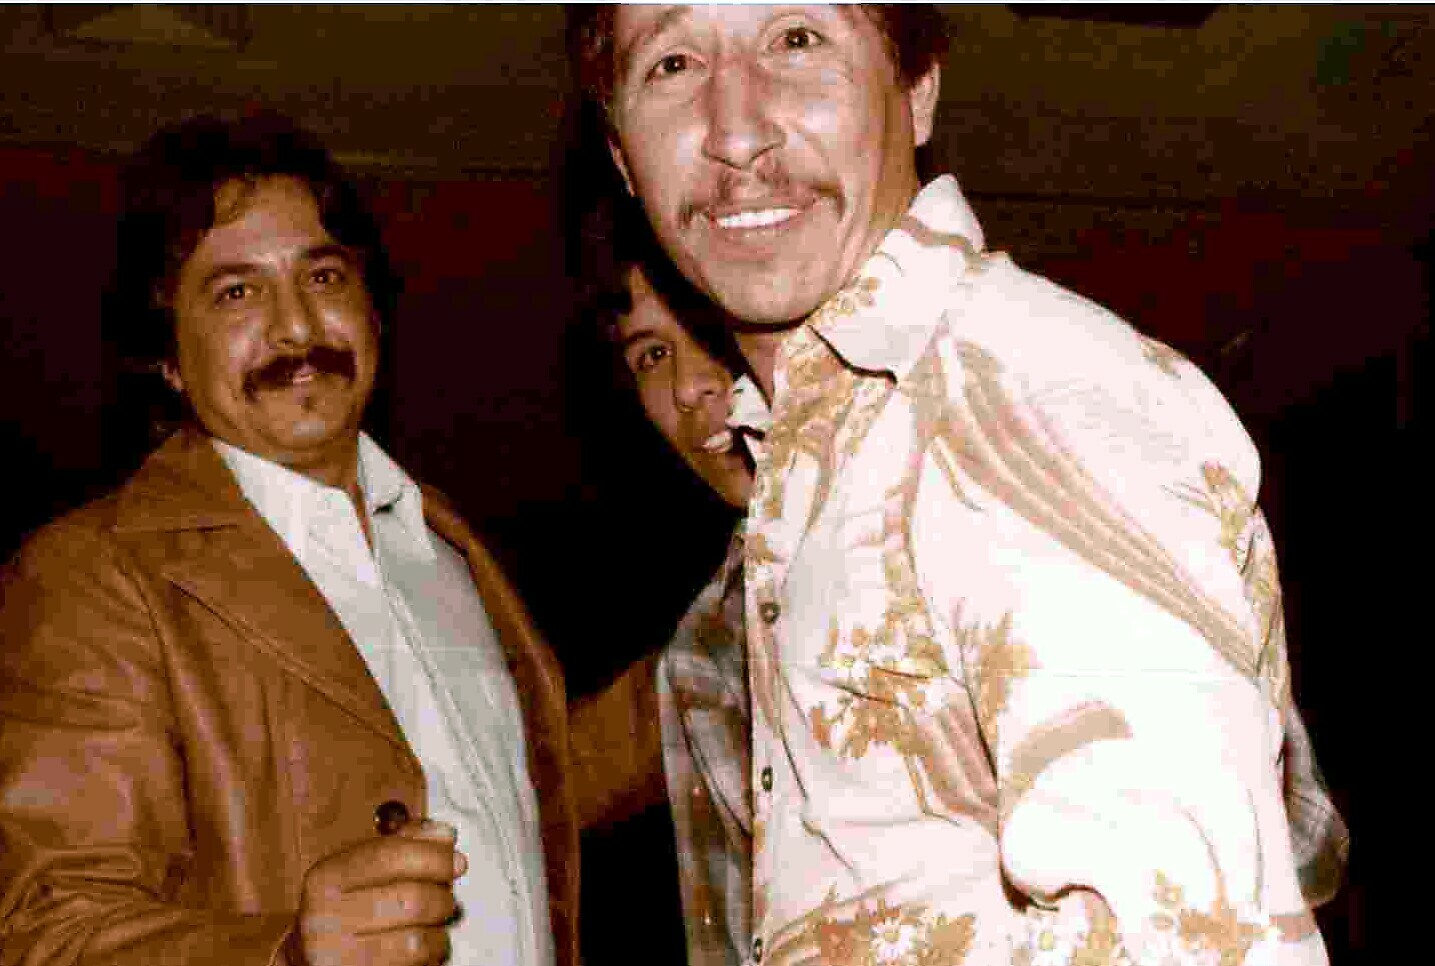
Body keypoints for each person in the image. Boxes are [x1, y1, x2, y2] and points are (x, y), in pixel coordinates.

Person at [572, 6, 1350, 964]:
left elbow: (1197, 939)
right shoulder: (815, 476)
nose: (735, 132)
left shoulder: (1021, 390)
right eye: (673, 63)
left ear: (917, 89)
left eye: (796, 38)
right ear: (622, 157)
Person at [0, 113, 582, 966]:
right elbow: (46, 933)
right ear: (167, 357)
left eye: (324, 276)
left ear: (373, 313)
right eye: (236, 293)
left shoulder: (452, 550)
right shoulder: (93, 575)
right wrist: (285, 953)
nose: (296, 328)